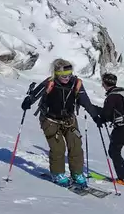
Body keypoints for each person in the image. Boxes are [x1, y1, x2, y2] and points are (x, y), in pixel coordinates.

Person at [21, 58, 98, 187]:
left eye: (69, 74)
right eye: (63, 75)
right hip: (50, 120)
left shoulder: (76, 83)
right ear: (56, 73)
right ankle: (57, 173)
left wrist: (95, 116)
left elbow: (85, 101)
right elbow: (35, 94)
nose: (67, 78)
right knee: (58, 148)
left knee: (75, 147)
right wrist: (28, 101)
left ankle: (77, 174)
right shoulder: (50, 83)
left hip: (69, 120)